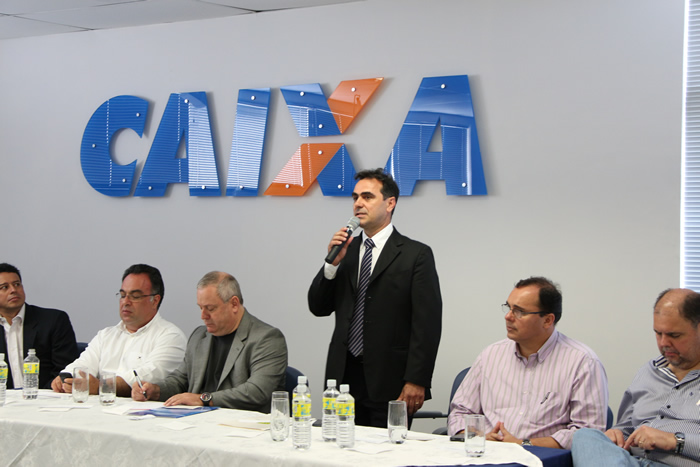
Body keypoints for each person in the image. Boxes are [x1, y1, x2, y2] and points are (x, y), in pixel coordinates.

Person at [308, 168, 442, 428]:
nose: (358, 203)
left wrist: (417, 380)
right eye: (355, 197)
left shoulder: (415, 255)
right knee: (339, 447)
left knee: (386, 449)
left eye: (367, 197)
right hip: (343, 378)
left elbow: (427, 324)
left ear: (390, 203)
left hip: (391, 381)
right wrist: (331, 265)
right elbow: (318, 307)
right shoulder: (346, 251)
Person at [447, 276, 608, 450]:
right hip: (487, 454)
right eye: (508, 308)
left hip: (542, 457)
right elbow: (460, 413)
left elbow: (587, 432)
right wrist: (479, 437)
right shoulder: (490, 355)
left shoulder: (582, 362)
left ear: (547, 320)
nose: (508, 316)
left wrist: (522, 444)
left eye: (519, 312)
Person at [571, 288, 700, 466]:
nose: (664, 343)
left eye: (674, 335)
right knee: (585, 435)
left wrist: (675, 441)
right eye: (658, 333)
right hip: (631, 462)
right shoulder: (649, 371)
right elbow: (627, 426)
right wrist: (616, 434)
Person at [132, 271, 288, 412]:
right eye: (200, 308)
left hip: (241, 426)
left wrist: (203, 399)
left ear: (234, 304)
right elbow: (180, 380)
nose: (203, 316)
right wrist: (155, 390)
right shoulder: (199, 336)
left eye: (210, 308)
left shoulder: (267, 338)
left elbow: (257, 392)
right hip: (195, 421)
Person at [51, 264, 186, 397]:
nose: (125, 302)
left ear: (155, 300)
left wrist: (101, 386)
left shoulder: (171, 336)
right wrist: (66, 378)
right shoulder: (105, 335)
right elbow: (82, 365)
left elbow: (146, 378)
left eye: (135, 296)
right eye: (122, 295)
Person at [0, 263, 79, 389]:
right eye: (4, 287)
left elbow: (65, 371)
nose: (13, 290)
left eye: (17, 284)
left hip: (46, 396)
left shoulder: (53, 320)